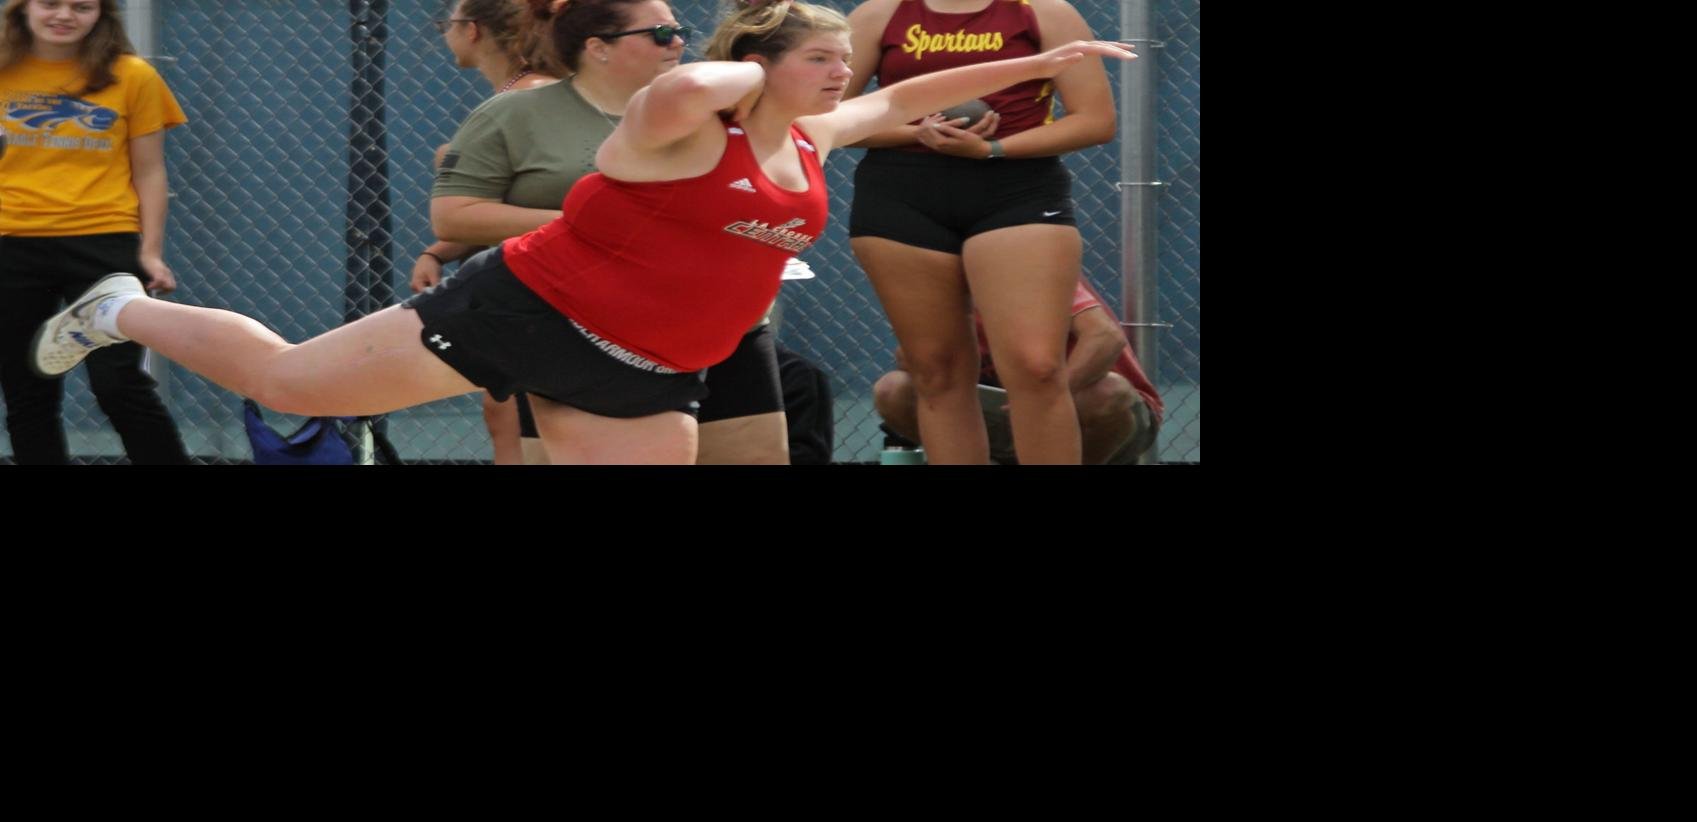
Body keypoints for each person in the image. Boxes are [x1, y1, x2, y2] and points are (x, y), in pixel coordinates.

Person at [28, 0, 1134, 465]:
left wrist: (1036, 66)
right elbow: (687, 81)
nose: (841, 73)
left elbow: (893, 105)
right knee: (293, 386)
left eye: (838, 64)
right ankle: (119, 310)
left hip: (650, 369)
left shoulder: (814, 137)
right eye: (818, 58)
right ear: (758, 63)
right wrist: (748, 62)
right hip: (522, 310)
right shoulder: (670, 123)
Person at [432, 0, 800, 465]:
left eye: (679, 30)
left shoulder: (717, 110)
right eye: (661, 34)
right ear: (598, 48)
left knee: (756, 457)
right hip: (580, 328)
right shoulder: (516, 112)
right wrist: (602, 225)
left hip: (719, 324)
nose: (680, 42)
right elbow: (454, 215)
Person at [843, 0, 1119, 464]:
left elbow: (1095, 120)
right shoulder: (879, 14)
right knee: (936, 371)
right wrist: (918, 132)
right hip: (902, 195)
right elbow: (829, 117)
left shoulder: (1044, 12)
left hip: (1016, 190)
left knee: (1037, 368)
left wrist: (992, 149)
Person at [0, 0, 189, 464]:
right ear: (22, 9)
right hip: (11, 245)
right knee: (27, 390)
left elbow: (149, 173)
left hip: (104, 245)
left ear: (102, 15)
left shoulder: (133, 76)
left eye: (81, 7)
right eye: (50, 4)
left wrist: (150, 253)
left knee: (120, 384)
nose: (64, 16)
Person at [413, 0, 562, 464]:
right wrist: (438, 253)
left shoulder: (528, 98)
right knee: (504, 414)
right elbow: (512, 202)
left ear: (472, 30)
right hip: (531, 287)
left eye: (448, 23)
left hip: (549, 294)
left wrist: (449, 165)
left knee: (520, 422)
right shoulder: (521, 95)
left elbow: (552, 202)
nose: (445, 33)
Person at [874, 277, 1162, 464]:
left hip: (1098, 415)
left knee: (1107, 392)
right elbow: (911, 361)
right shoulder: (936, 282)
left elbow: (1105, 337)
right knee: (894, 391)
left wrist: (1047, 397)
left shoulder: (1028, 265)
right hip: (1008, 410)